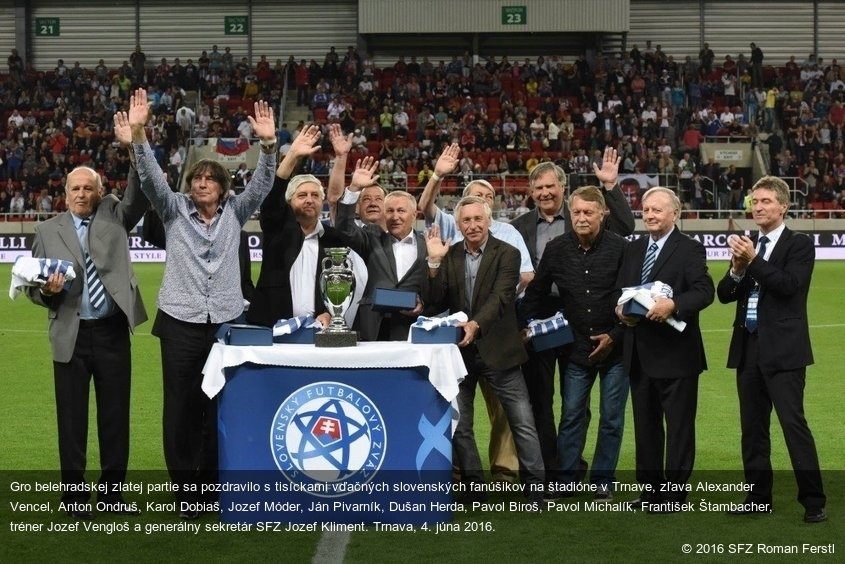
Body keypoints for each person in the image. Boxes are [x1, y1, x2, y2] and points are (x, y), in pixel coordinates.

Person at [126, 89, 277, 519]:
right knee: (180, 409)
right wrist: (139, 134)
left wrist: (268, 145)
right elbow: (152, 177)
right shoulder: (173, 211)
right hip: (180, 322)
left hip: (227, 323)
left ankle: (213, 486)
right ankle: (185, 491)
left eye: (209, 179)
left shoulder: (236, 209)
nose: (201, 183)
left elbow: (264, 183)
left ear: (224, 187)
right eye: (196, 179)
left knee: (220, 406)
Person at [25, 118, 149, 520]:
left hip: (112, 330)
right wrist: (47, 291)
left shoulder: (116, 213)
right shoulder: (46, 229)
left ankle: (113, 495)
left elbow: (140, 193)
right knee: (72, 419)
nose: (81, 194)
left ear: (100, 191)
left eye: (88, 188)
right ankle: (74, 498)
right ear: (64, 195)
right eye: (74, 188)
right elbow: (31, 283)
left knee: (115, 416)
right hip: (70, 333)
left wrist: (135, 145)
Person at [510, 150, 634, 481]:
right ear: (531, 191)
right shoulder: (523, 229)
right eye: (538, 188)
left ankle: (594, 477)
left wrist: (610, 187)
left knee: (603, 414)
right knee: (554, 405)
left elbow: (626, 226)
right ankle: (557, 472)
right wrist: (517, 325)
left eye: (551, 186)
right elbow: (533, 293)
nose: (545, 193)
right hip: (549, 325)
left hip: (591, 327)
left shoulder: (613, 239)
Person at [417, 143, 535, 483]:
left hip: (498, 342)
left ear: (490, 211)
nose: (473, 222)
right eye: (466, 216)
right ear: (458, 220)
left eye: (481, 210)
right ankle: (473, 486)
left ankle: (526, 482)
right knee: (461, 422)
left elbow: (511, 287)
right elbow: (437, 298)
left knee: (516, 420)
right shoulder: (450, 246)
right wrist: (435, 261)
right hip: (460, 349)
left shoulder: (508, 241)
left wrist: (478, 319)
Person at [717, 176, 826, 523]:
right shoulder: (750, 246)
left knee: (793, 425)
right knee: (752, 429)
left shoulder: (799, 244)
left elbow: (790, 287)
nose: (758, 207)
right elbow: (724, 294)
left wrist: (752, 261)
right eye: (755, 201)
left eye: (766, 201)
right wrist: (736, 270)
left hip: (784, 351)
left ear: (783, 206)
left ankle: (813, 501)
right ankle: (757, 497)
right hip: (748, 347)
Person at [615, 187, 714, 512]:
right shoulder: (634, 248)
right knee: (646, 427)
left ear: (675, 213)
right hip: (639, 353)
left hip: (677, 355)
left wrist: (674, 305)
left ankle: (674, 495)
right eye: (646, 209)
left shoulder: (690, 249)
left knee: (679, 428)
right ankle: (650, 491)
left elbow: (704, 291)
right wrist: (621, 311)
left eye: (658, 209)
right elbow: (623, 290)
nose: (651, 214)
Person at [246, 125, 354, 329]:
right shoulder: (276, 228)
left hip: (318, 329)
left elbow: (339, 284)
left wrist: (331, 313)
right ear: (288, 201)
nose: (309, 200)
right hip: (271, 327)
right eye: (302, 195)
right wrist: (293, 155)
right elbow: (272, 197)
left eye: (315, 195)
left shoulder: (333, 239)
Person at [335, 158, 430, 341]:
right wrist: (354, 188)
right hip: (372, 325)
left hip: (410, 327)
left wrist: (424, 303)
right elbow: (344, 228)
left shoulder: (427, 245)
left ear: (414, 215)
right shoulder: (372, 238)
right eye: (390, 211)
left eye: (401, 211)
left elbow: (436, 288)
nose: (395, 217)